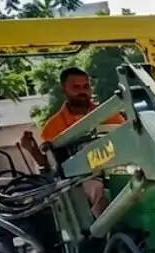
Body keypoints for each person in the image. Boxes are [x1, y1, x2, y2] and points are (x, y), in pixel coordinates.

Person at [20, 66, 126, 216]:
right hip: (82, 179)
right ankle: (109, 232)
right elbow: (50, 165)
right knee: (96, 189)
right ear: (64, 89)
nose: (82, 91)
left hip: (117, 168)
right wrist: (32, 150)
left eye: (86, 86)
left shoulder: (110, 114)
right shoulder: (53, 126)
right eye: (76, 87)